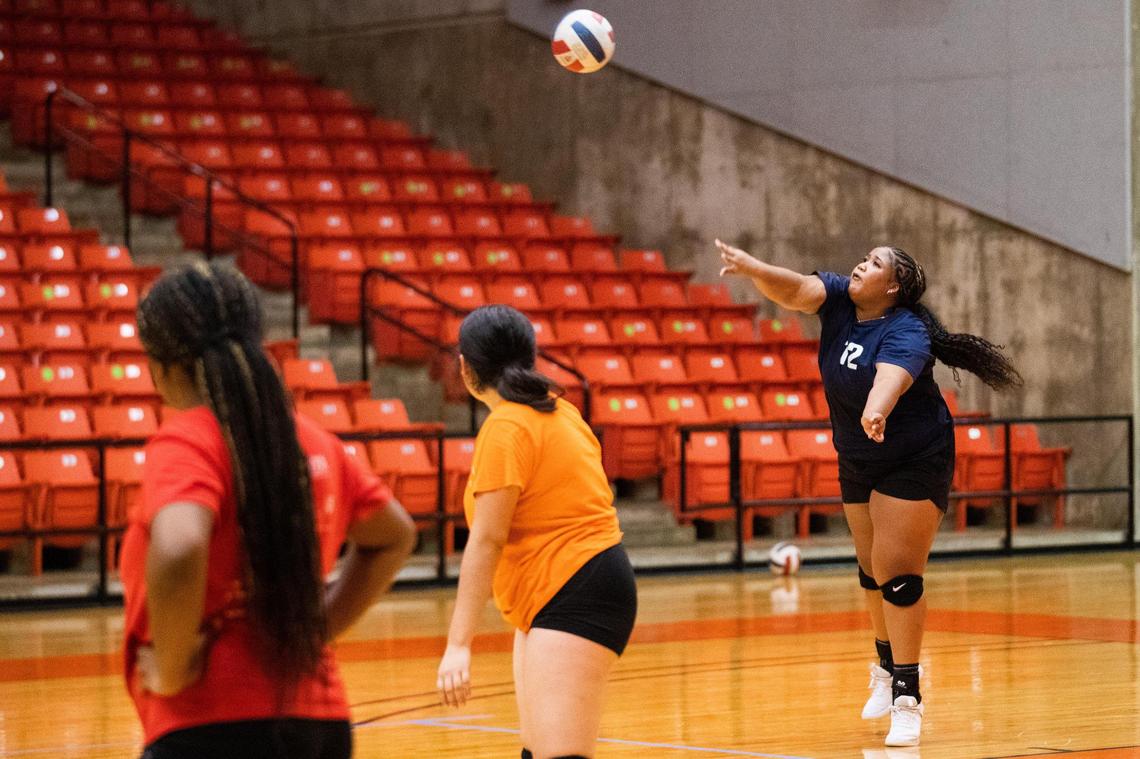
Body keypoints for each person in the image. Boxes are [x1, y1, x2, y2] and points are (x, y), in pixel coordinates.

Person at [716, 240, 1021, 747]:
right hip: (858, 455)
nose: (862, 264)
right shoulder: (840, 299)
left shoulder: (907, 329)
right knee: (870, 568)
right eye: (866, 258)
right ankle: (884, 666)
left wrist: (876, 410)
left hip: (914, 457)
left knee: (898, 574)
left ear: (894, 287)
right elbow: (794, 289)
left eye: (876, 264)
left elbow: (892, 378)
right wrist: (753, 270)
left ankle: (908, 697)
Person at [120, 261, 417, 758]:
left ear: (164, 366)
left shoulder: (188, 440)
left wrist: (171, 668)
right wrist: (317, 627)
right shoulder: (313, 441)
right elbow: (394, 535)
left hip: (209, 725)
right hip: (321, 724)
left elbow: (179, 545)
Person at [436, 305, 638, 759]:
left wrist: (457, 645)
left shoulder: (507, 427)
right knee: (537, 751)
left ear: (466, 368)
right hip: (557, 593)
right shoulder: (559, 413)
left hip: (575, 589)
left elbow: (487, 541)